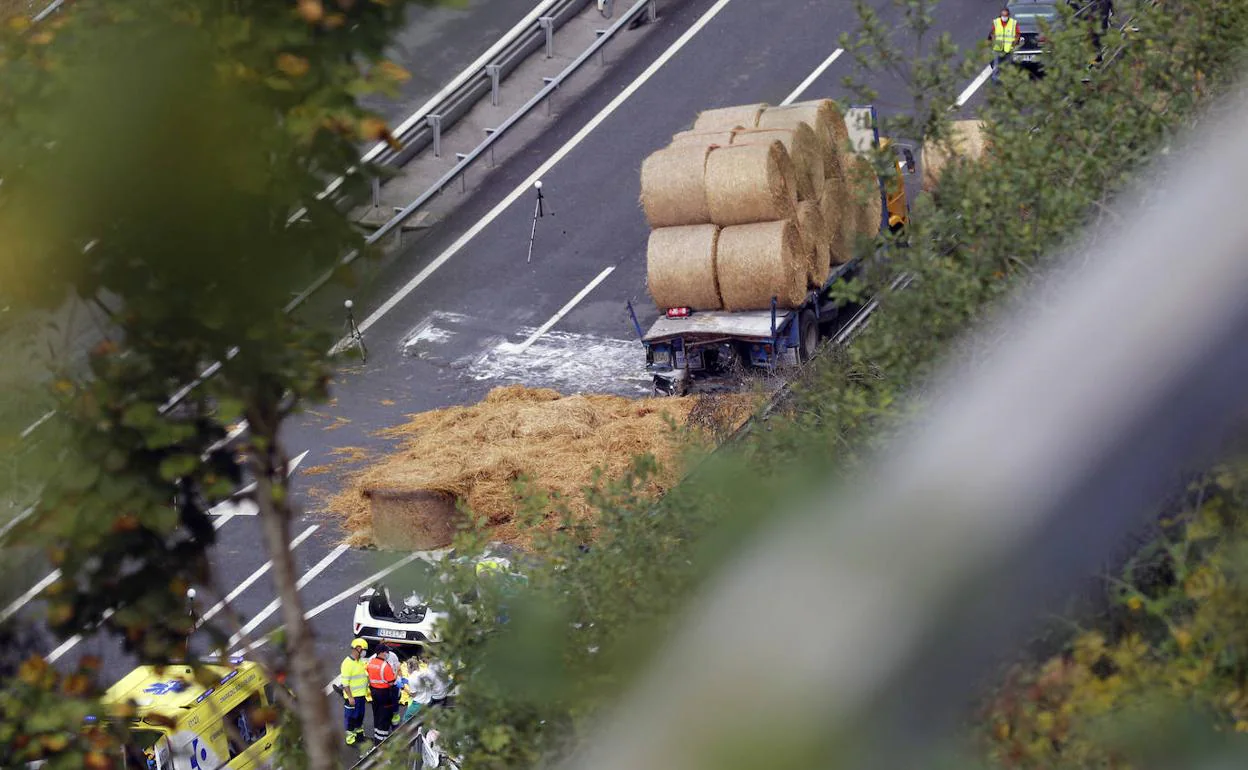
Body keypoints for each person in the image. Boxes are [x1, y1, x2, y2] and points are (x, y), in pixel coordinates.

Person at [366, 643, 400, 743]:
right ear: (381, 653)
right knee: (384, 718)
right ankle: (381, 742)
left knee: (377, 715)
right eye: (386, 652)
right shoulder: (385, 666)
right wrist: (397, 674)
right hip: (385, 694)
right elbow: (391, 682)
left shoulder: (371, 662)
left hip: (374, 693)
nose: (387, 653)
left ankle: (377, 736)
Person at [340, 638, 370, 746]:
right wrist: (350, 697)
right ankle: (350, 739)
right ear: (358, 648)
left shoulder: (360, 662)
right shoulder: (347, 663)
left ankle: (359, 736)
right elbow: (345, 683)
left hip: (361, 696)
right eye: (364, 650)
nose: (365, 652)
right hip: (352, 698)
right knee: (351, 718)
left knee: (359, 716)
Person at [989, 7, 1020, 82]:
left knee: (1008, 65)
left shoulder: (1013, 23)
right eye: (1003, 15)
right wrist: (994, 42)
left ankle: (1007, 80)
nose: (1004, 17)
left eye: (1005, 15)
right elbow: (992, 34)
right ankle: (995, 80)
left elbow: (1017, 35)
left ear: (1008, 15)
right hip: (998, 48)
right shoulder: (996, 22)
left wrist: (1013, 44)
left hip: (1008, 49)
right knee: (996, 65)